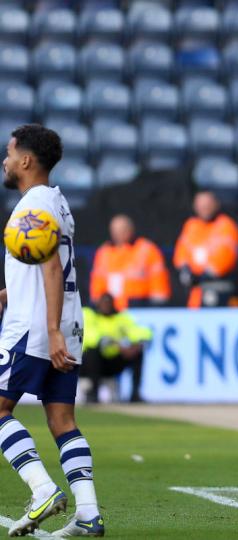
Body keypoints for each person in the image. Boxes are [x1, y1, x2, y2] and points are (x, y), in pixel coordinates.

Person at [0, 125, 104, 536]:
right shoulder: (57, 202)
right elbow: (51, 259)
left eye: (9, 153)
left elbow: (50, 268)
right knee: (62, 419)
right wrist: (12, 288)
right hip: (66, 321)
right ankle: (88, 514)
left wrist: (49, 330)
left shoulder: (31, 207)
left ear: (26, 160)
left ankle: (42, 488)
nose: (5, 161)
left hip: (36, 327)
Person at [173, 191, 238, 308]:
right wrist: (185, 269)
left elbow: (225, 256)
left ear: (216, 204)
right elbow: (182, 251)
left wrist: (204, 275)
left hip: (218, 288)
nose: (204, 208)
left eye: (207, 205)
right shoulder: (191, 225)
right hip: (194, 291)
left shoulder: (226, 225)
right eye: (200, 205)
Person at [89, 214, 170, 310]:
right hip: (110, 309)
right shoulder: (104, 252)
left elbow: (158, 281)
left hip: (140, 307)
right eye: (115, 231)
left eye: (122, 230)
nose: (118, 234)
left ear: (131, 230)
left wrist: (157, 307)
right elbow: (97, 281)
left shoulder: (147, 249)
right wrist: (97, 302)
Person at [80, 294, 151, 404]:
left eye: (108, 303)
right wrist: (115, 344)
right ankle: (93, 394)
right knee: (92, 352)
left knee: (138, 352)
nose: (106, 306)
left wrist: (137, 344)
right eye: (104, 303)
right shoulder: (89, 314)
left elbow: (137, 331)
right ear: (98, 304)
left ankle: (135, 394)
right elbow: (91, 337)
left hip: (112, 362)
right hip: (89, 364)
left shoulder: (120, 318)